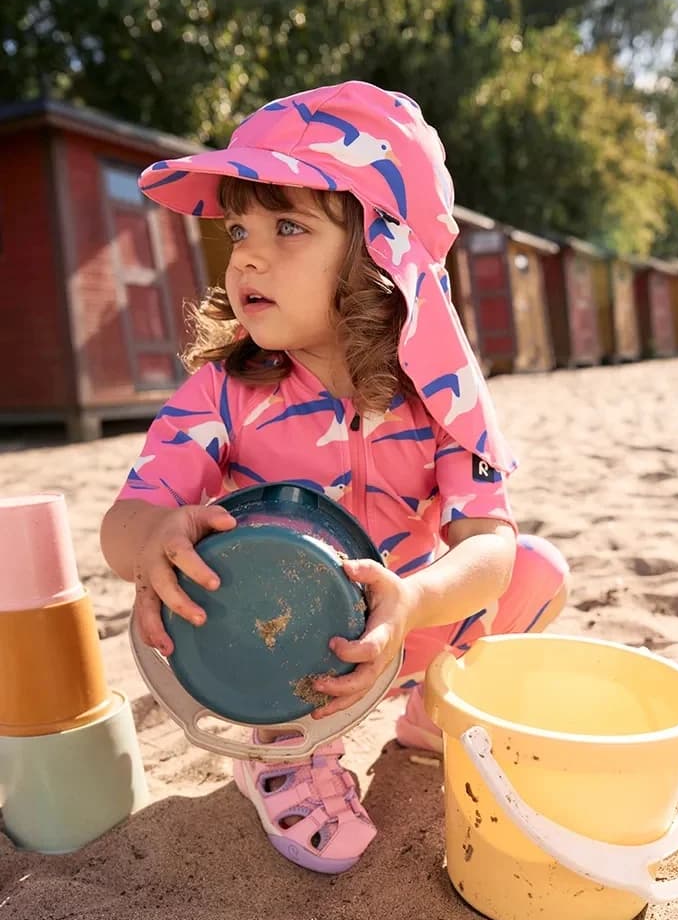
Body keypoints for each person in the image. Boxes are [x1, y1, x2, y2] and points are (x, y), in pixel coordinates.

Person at [101, 81, 569, 875]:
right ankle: (282, 749)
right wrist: (153, 539)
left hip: (394, 625)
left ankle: (431, 714)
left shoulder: (439, 398)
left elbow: (487, 546)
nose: (246, 255)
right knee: (269, 642)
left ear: (380, 252)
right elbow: (122, 523)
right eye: (239, 229)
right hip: (265, 636)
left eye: (288, 226)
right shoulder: (223, 393)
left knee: (534, 571)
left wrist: (412, 600)